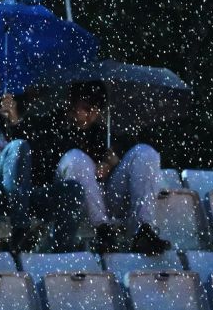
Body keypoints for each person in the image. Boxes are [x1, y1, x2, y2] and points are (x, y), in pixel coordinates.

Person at [18, 81, 171, 254]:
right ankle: (103, 231)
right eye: (85, 108)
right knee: (77, 159)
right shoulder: (50, 125)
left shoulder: (101, 132)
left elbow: (128, 143)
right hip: (72, 200)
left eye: (95, 110)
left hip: (107, 197)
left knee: (145, 152)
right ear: (72, 104)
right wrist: (90, 166)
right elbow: (43, 162)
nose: (90, 115)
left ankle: (144, 230)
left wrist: (113, 160)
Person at [0, 59, 84, 252]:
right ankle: (20, 229)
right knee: (16, 147)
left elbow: (39, 161)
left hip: (19, 193)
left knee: (72, 190)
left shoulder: (5, 118)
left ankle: (60, 253)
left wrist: (16, 122)